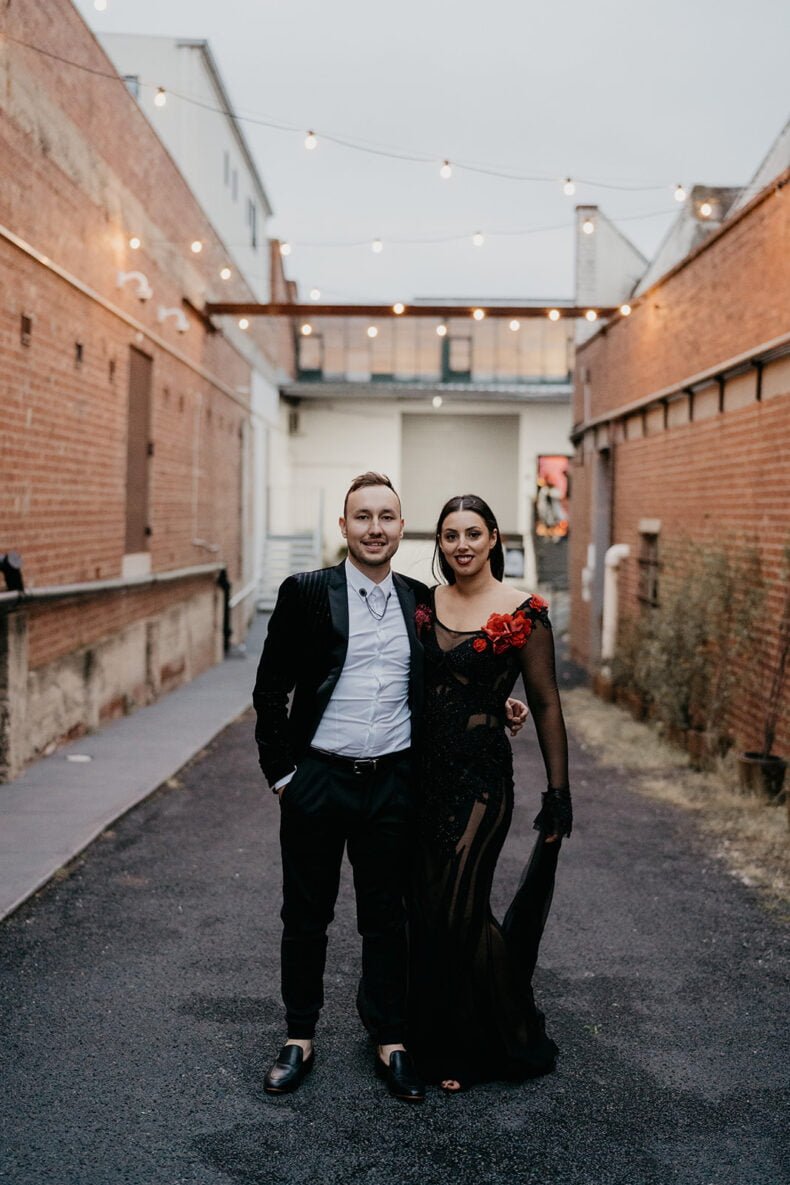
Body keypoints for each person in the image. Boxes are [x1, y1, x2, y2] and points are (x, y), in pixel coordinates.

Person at [252, 472, 428, 1102]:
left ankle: (390, 1038)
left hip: (392, 783)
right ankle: (299, 1035)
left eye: (386, 517)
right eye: (363, 517)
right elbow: (270, 689)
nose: (375, 528)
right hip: (318, 780)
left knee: (387, 919)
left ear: (401, 527)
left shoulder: (420, 600)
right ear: (344, 526)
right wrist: (283, 777)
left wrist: (502, 707)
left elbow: (444, 683)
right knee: (306, 917)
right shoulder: (306, 592)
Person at [406, 493, 572, 1093]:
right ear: (440, 542)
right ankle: (453, 1025)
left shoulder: (524, 612)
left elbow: (546, 703)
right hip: (420, 777)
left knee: (460, 903)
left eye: (473, 533)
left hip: (481, 781)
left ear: (494, 538)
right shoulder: (423, 604)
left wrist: (558, 793)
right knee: (429, 907)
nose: (462, 545)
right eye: (450, 535)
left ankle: (474, 1046)